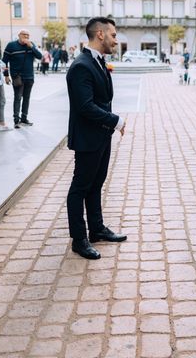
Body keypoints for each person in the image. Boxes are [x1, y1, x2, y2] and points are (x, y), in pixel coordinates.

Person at [65, 17, 127, 260]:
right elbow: (85, 106)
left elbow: (102, 99)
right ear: (100, 34)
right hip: (88, 137)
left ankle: (97, 229)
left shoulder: (98, 62)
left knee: (96, 184)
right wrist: (115, 120)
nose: (115, 40)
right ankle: (79, 239)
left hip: (101, 135)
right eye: (113, 35)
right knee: (79, 188)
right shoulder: (81, 65)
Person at [2, 29, 42, 129]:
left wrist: (31, 47)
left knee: (27, 98)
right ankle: (16, 120)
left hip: (29, 77)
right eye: (24, 35)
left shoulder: (31, 45)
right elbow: (4, 62)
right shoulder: (11, 46)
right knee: (18, 98)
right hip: (17, 77)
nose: (26, 37)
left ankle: (24, 118)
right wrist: (6, 75)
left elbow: (40, 56)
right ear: (19, 35)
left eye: (28, 35)